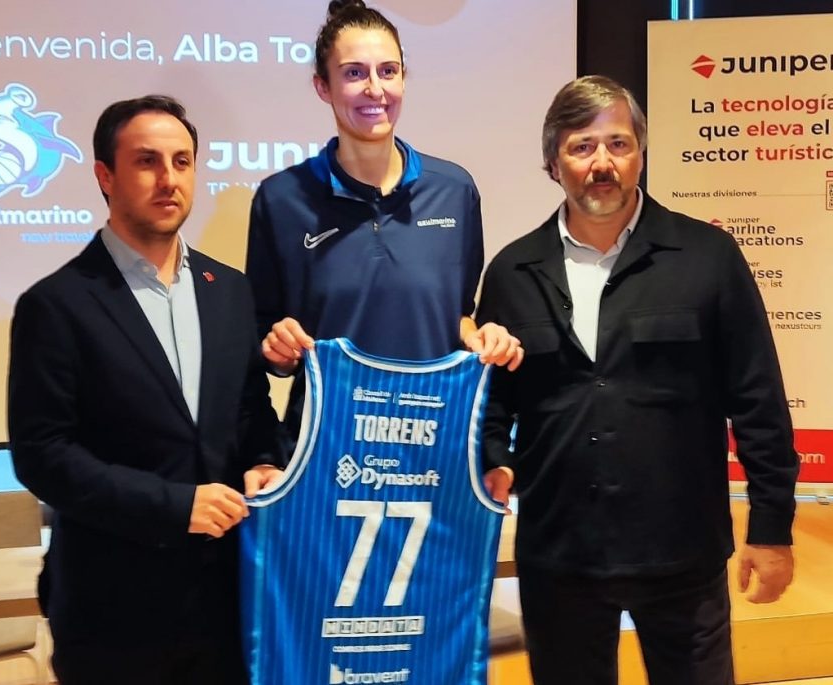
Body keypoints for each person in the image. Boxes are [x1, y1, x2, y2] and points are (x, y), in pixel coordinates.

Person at [477, 75, 799, 685]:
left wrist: (771, 528)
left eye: (618, 144)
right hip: (559, 556)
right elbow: (490, 403)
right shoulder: (513, 271)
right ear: (553, 162)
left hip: (683, 554)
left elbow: (758, 401)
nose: (602, 163)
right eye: (581, 146)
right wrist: (494, 459)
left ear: (641, 153)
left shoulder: (708, 257)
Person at [7, 95, 284, 685]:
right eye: (147, 162)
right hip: (112, 613)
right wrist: (175, 507)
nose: (169, 180)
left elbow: (248, 410)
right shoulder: (55, 305)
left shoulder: (229, 290)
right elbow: (43, 455)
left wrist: (264, 460)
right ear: (105, 175)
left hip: (225, 603)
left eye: (183, 162)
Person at [246, 0, 522, 450]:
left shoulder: (454, 189)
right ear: (323, 86)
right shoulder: (281, 200)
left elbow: (457, 314)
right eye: (354, 73)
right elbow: (263, 334)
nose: (376, 89)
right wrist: (275, 350)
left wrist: (480, 336)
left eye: (388, 71)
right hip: (326, 448)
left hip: (433, 444)